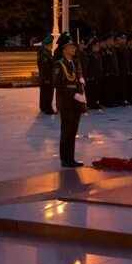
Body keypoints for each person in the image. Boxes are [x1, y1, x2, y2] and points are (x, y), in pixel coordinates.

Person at [53, 33, 86, 167]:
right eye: (70, 46)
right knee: (66, 130)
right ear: (63, 49)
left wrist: (81, 89)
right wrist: (73, 95)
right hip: (67, 101)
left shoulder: (75, 62)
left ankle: (71, 158)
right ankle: (64, 159)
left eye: (73, 46)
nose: (73, 48)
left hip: (77, 100)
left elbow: (78, 78)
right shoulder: (59, 64)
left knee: (73, 130)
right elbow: (58, 85)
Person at [37, 35, 56, 115]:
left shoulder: (46, 53)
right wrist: (47, 79)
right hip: (47, 78)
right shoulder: (45, 54)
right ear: (46, 45)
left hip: (45, 78)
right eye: (50, 44)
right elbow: (45, 68)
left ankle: (43, 107)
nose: (52, 45)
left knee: (45, 93)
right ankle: (48, 108)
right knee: (48, 93)